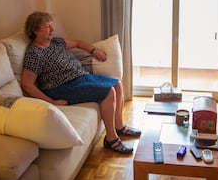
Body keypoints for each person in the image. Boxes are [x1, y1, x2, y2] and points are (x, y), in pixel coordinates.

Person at [21, 12, 141, 154]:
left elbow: (77, 42)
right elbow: (27, 84)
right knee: (108, 92)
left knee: (117, 84)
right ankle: (111, 139)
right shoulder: (34, 53)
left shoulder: (56, 42)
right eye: (48, 27)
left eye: (52, 26)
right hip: (62, 87)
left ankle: (119, 127)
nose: (52, 30)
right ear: (35, 30)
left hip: (81, 78)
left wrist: (94, 50)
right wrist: (51, 102)